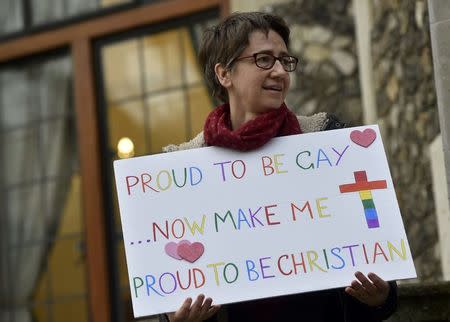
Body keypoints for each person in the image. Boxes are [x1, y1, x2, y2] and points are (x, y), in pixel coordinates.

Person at [159, 11, 397, 322]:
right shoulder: (183, 166)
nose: (280, 71)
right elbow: (172, 283)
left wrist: (381, 297)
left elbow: (369, 234)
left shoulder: (326, 138)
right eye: (263, 60)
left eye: (285, 61)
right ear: (224, 74)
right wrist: (174, 319)